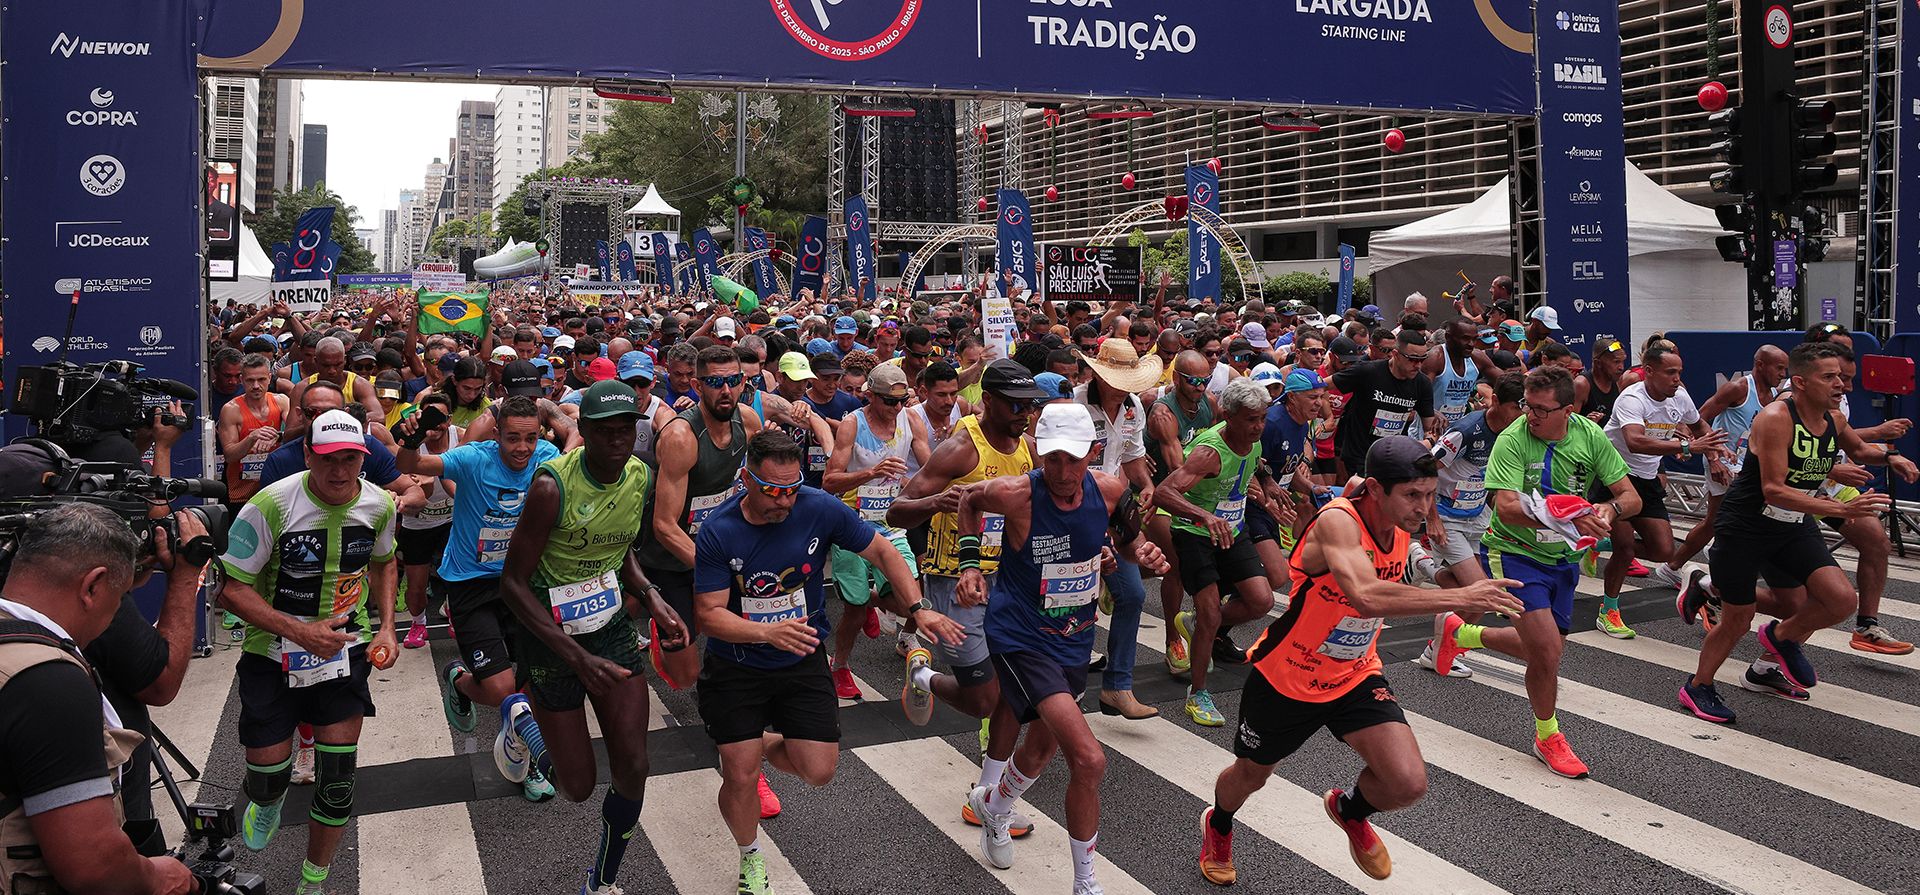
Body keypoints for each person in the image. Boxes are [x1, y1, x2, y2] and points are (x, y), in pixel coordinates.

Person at [1200, 437, 1522, 885]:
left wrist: (1455, 578)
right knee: (1251, 775)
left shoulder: (1402, 523)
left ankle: (1349, 810)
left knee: (1407, 782)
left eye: (1429, 494)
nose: (1423, 506)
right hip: (1289, 677)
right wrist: (1459, 595)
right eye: (1413, 495)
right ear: (1374, 489)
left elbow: (1410, 567)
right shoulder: (1338, 522)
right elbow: (1367, 596)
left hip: (1355, 674)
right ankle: (1218, 824)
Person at [695, 430, 960, 895]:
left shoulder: (817, 506)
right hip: (737, 664)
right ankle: (749, 856)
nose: (783, 501)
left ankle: (753, 742)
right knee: (739, 774)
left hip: (800, 657)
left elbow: (880, 548)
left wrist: (917, 607)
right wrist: (764, 631)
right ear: (746, 480)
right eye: (773, 490)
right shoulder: (720, 530)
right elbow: (709, 613)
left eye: (792, 488)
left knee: (818, 770)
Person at [961, 403, 1167, 895]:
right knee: (1089, 759)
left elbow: (1127, 532)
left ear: (1092, 454)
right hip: (1019, 636)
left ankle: (993, 806)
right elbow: (968, 500)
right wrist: (971, 566)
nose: (1062, 472)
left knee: (1039, 749)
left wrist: (1137, 551)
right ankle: (1085, 883)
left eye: (1073, 460)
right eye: (1052, 459)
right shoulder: (1015, 494)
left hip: (1073, 637)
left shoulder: (1110, 490)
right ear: (1038, 452)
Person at [497, 380, 690, 895]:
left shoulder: (638, 475)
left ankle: (601, 880)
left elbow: (621, 547)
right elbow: (513, 584)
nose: (618, 440)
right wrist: (577, 658)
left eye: (626, 428)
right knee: (577, 787)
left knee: (634, 764)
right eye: (605, 430)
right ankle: (520, 717)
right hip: (551, 638)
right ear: (585, 431)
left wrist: (650, 595)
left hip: (609, 629)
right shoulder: (551, 486)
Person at [1675, 342, 1919, 722]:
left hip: (1791, 525)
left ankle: (1779, 639)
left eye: (1840, 376)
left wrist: (1892, 456)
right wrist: (1841, 508)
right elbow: (1773, 488)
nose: (1840, 384)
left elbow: (1857, 449)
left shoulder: (1833, 419)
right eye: (1830, 377)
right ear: (1801, 383)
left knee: (1840, 600)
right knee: (1738, 619)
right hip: (1747, 526)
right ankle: (1698, 687)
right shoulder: (1775, 417)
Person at [218, 409, 399, 895]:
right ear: (306, 454)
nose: (339, 471)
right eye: (327, 460)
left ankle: (313, 883)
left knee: (337, 779)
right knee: (267, 776)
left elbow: (384, 563)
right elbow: (231, 591)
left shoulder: (380, 503)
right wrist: (300, 634)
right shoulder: (270, 505)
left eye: (350, 459)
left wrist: (385, 628)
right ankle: (269, 798)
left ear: (364, 456)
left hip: (345, 649)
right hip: (270, 653)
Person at [1428, 364, 1638, 779]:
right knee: (1547, 653)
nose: (1532, 415)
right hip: (1514, 552)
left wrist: (1608, 509)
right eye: (1528, 405)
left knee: (1541, 649)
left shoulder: (1590, 436)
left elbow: (1630, 496)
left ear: (1569, 409)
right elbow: (1505, 506)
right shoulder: (1511, 438)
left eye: (1543, 409)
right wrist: (1562, 517)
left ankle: (1463, 633)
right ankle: (1548, 735)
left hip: (1564, 559)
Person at [0, 504, 199, 895]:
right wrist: (161, 876)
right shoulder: (48, 681)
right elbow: (94, 867)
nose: (113, 619)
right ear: (92, 587)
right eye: (121, 598)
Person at [888, 359, 1044, 835]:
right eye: (1015, 406)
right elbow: (897, 511)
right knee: (981, 700)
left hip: (1009, 585)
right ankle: (924, 676)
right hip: (954, 580)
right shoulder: (960, 449)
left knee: (1012, 696)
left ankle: (988, 798)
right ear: (989, 401)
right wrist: (934, 503)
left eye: (1030, 406)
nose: (1024, 415)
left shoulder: (1028, 449)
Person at [397, 395, 563, 801]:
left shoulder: (547, 454)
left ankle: (524, 767)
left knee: (530, 687)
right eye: (511, 439)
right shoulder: (473, 458)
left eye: (528, 438)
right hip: (470, 584)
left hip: (521, 581)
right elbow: (410, 466)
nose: (521, 448)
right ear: (496, 435)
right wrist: (414, 434)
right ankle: (459, 679)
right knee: (501, 690)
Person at [1155, 379, 1279, 727]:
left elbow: (1256, 460)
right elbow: (1165, 493)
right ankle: (1198, 695)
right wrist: (1203, 515)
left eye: (1263, 418)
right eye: (1251, 419)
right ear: (1229, 416)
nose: (1258, 426)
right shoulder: (1209, 452)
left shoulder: (1252, 439)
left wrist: (1267, 481)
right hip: (1194, 533)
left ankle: (1197, 625)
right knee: (1210, 611)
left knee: (1261, 601)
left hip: (1232, 528)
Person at [1592, 344, 1727, 637]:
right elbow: (1635, 442)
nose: (1677, 378)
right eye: (1670, 372)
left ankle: (1598, 542)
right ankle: (1609, 611)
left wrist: (1714, 455)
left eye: (1679, 372)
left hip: (1646, 478)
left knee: (1664, 549)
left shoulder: (1679, 396)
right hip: (1614, 476)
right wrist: (1687, 446)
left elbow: (1699, 424)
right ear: (1649, 372)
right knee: (1626, 548)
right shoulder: (1631, 398)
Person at [820, 364, 930, 699]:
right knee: (852, 611)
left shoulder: (910, 420)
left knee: (911, 592)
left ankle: (875, 603)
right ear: (870, 394)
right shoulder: (853, 424)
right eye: (888, 401)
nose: (896, 408)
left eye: (901, 400)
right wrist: (871, 473)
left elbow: (929, 470)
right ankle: (840, 665)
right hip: (852, 524)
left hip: (891, 524)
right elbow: (829, 482)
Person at [1073, 339, 1163, 720]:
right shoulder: (1073, 404)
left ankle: (1117, 686)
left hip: (1113, 509)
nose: (1123, 386)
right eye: (1116, 378)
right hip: (1074, 511)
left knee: (1132, 595)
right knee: (1077, 602)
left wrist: (1146, 485)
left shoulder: (1133, 408)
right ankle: (1069, 689)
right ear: (1096, 373)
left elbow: (1133, 456)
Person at [1416, 372, 1526, 683]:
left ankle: (1421, 564)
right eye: (1517, 407)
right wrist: (1432, 517)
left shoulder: (1516, 433)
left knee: (1463, 587)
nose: (1523, 415)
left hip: (1478, 515)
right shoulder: (1465, 431)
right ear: (1495, 402)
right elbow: (1424, 467)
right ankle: (1435, 650)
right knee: (1480, 595)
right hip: (1448, 518)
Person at [1660, 344, 1789, 590]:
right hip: (1723, 463)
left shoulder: (1773, 395)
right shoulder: (1739, 388)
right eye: (1779, 367)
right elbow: (1700, 417)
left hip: (1746, 466)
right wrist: (1711, 457)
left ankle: (1677, 565)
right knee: (1733, 520)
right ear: (1760, 364)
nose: (1783, 374)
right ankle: (1709, 567)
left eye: (1785, 369)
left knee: (1719, 521)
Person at [1143, 350, 1220, 675]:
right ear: (1176, 379)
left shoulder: (1209, 403)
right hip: (1156, 493)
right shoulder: (1163, 413)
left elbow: (1219, 444)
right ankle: (1173, 638)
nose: (1200, 386)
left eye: (1205, 380)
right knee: (1174, 564)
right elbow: (1177, 465)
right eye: (1193, 381)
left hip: (1194, 490)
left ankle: (1119, 569)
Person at [393, 391, 457, 650]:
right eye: (429, 418)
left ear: (449, 420)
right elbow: (404, 481)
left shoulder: (460, 437)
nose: (436, 425)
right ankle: (418, 623)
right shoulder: (409, 444)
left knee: (458, 579)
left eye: (440, 418)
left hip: (452, 520)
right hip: (418, 525)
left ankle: (457, 615)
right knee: (417, 588)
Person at [1332, 330, 1435, 480]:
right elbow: (1322, 384)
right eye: (1412, 359)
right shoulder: (1367, 371)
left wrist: (1429, 441)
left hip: (1392, 459)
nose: (1418, 365)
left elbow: (1430, 427)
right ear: (1395, 354)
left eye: (1422, 359)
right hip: (1360, 456)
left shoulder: (1422, 383)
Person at [219, 352, 289, 506]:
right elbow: (230, 455)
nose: (256, 386)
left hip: (273, 488)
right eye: (250, 380)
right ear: (242, 380)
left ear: (270, 378)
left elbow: (297, 432)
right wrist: (252, 438)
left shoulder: (281, 401)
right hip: (241, 492)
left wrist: (279, 436)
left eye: (261, 379)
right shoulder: (231, 409)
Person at [1423, 319, 1495, 427]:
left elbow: (1505, 381)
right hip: (1428, 431)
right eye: (1465, 338)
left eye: (1474, 339)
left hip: (1455, 432)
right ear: (1448, 337)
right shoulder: (1435, 358)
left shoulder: (1477, 357)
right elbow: (1416, 395)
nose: (1471, 344)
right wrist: (1432, 412)